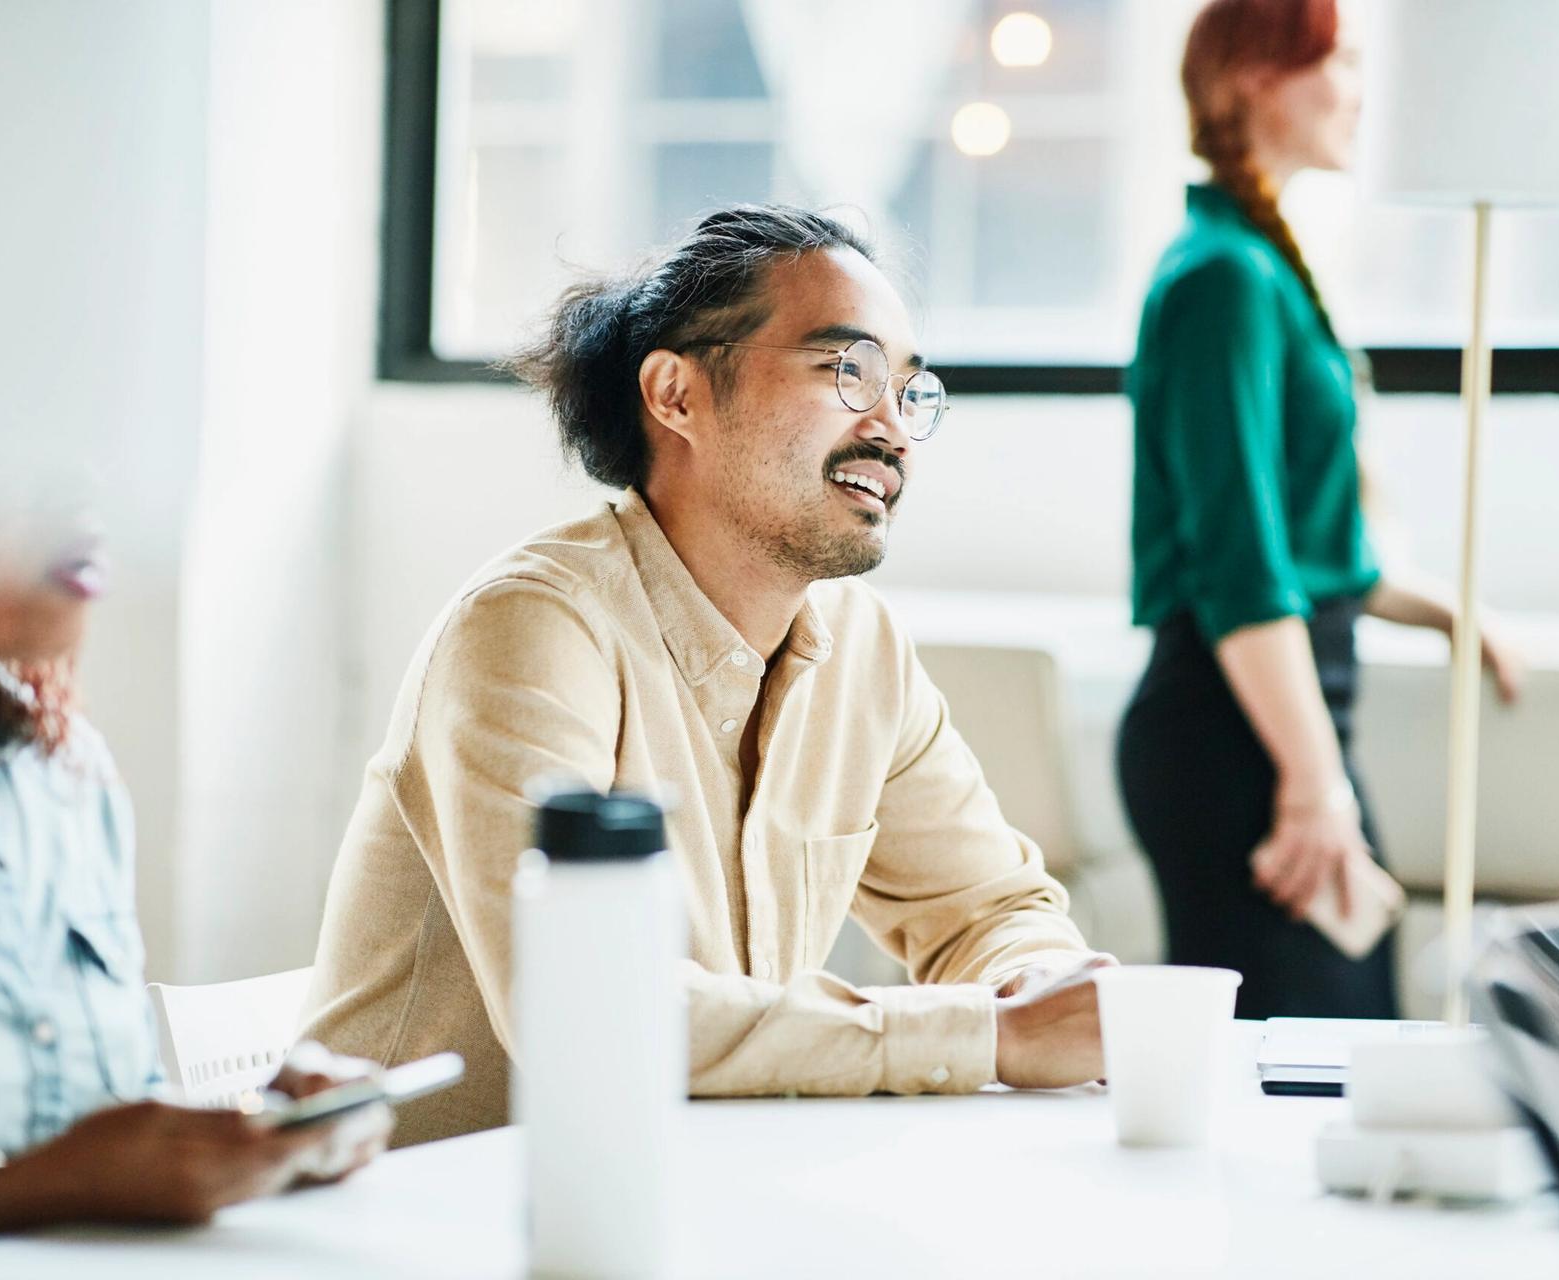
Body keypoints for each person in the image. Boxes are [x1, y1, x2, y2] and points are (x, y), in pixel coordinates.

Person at [304, 204, 1112, 1146]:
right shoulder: (532, 627)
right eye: (848, 371)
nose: (893, 428)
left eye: (911, 390)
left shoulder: (861, 648)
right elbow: (587, 1013)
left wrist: (1042, 991)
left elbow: (988, 908)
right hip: (439, 1230)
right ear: (676, 395)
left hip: (696, 1203)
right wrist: (991, 1037)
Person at [1116, 0, 1521, 1020]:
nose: (1359, 91)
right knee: (1306, 1071)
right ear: (1255, 77)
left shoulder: (1252, 266)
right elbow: (1241, 568)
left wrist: (1446, 613)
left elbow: (1301, 543)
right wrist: (1311, 782)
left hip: (1276, 727)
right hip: (1235, 736)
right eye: (1337, 62)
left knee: (1338, 1041)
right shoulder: (1222, 280)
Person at [0, 492, 388, 1252]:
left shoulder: (70, 776)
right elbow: (71, 1171)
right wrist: (29, 1191)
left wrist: (254, 1140)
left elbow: (99, 1129)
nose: (85, 498)